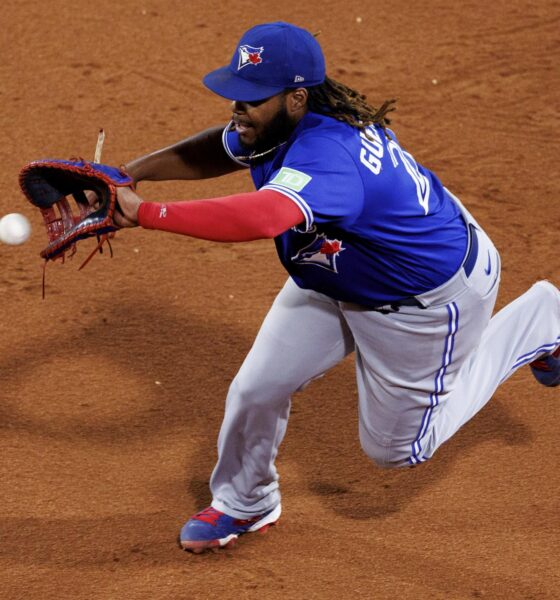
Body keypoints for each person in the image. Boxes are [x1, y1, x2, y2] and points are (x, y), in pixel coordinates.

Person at [113, 22, 560, 553]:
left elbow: (264, 217)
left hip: (427, 301)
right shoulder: (276, 125)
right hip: (344, 267)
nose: (237, 106)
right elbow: (222, 149)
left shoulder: (330, 154)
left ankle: (542, 321)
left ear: (297, 98)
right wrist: (128, 174)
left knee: (397, 452)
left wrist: (147, 215)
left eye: (251, 98)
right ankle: (245, 501)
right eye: (236, 91)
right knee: (257, 389)